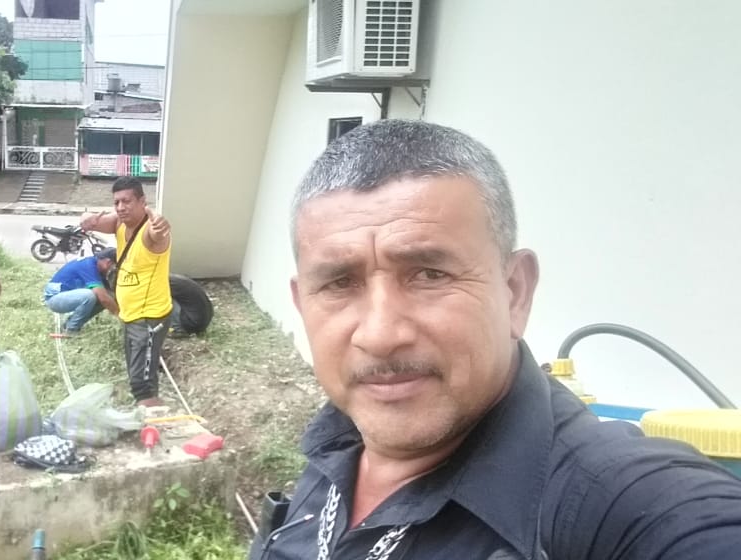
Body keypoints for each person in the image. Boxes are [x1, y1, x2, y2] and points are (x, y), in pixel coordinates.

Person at [252, 119, 741, 559]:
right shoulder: (337, 446)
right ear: (302, 303)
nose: (380, 335)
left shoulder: (616, 503)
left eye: (429, 274)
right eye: (339, 283)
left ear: (515, 291)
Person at [80, 176, 172, 407]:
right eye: (117, 202)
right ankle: (149, 414)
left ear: (142, 201)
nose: (121, 207)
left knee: (143, 384)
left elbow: (158, 235)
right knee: (137, 375)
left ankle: (155, 421)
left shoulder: (149, 231)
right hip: (131, 315)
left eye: (127, 201)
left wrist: (161, 229)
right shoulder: (120, 224)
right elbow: (93, 222)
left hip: (149, 318)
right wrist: (86, 218)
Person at [44, 247, 120, 336]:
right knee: (91, 296)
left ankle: (68, 325)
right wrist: (121, 316)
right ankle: (71, 330)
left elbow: (109, 296)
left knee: (106, 297)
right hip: (54, 299)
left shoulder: (96, 266)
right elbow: (103, 298)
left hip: (65, 296)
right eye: (113, 266)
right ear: (108, 262)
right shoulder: (89, 265)